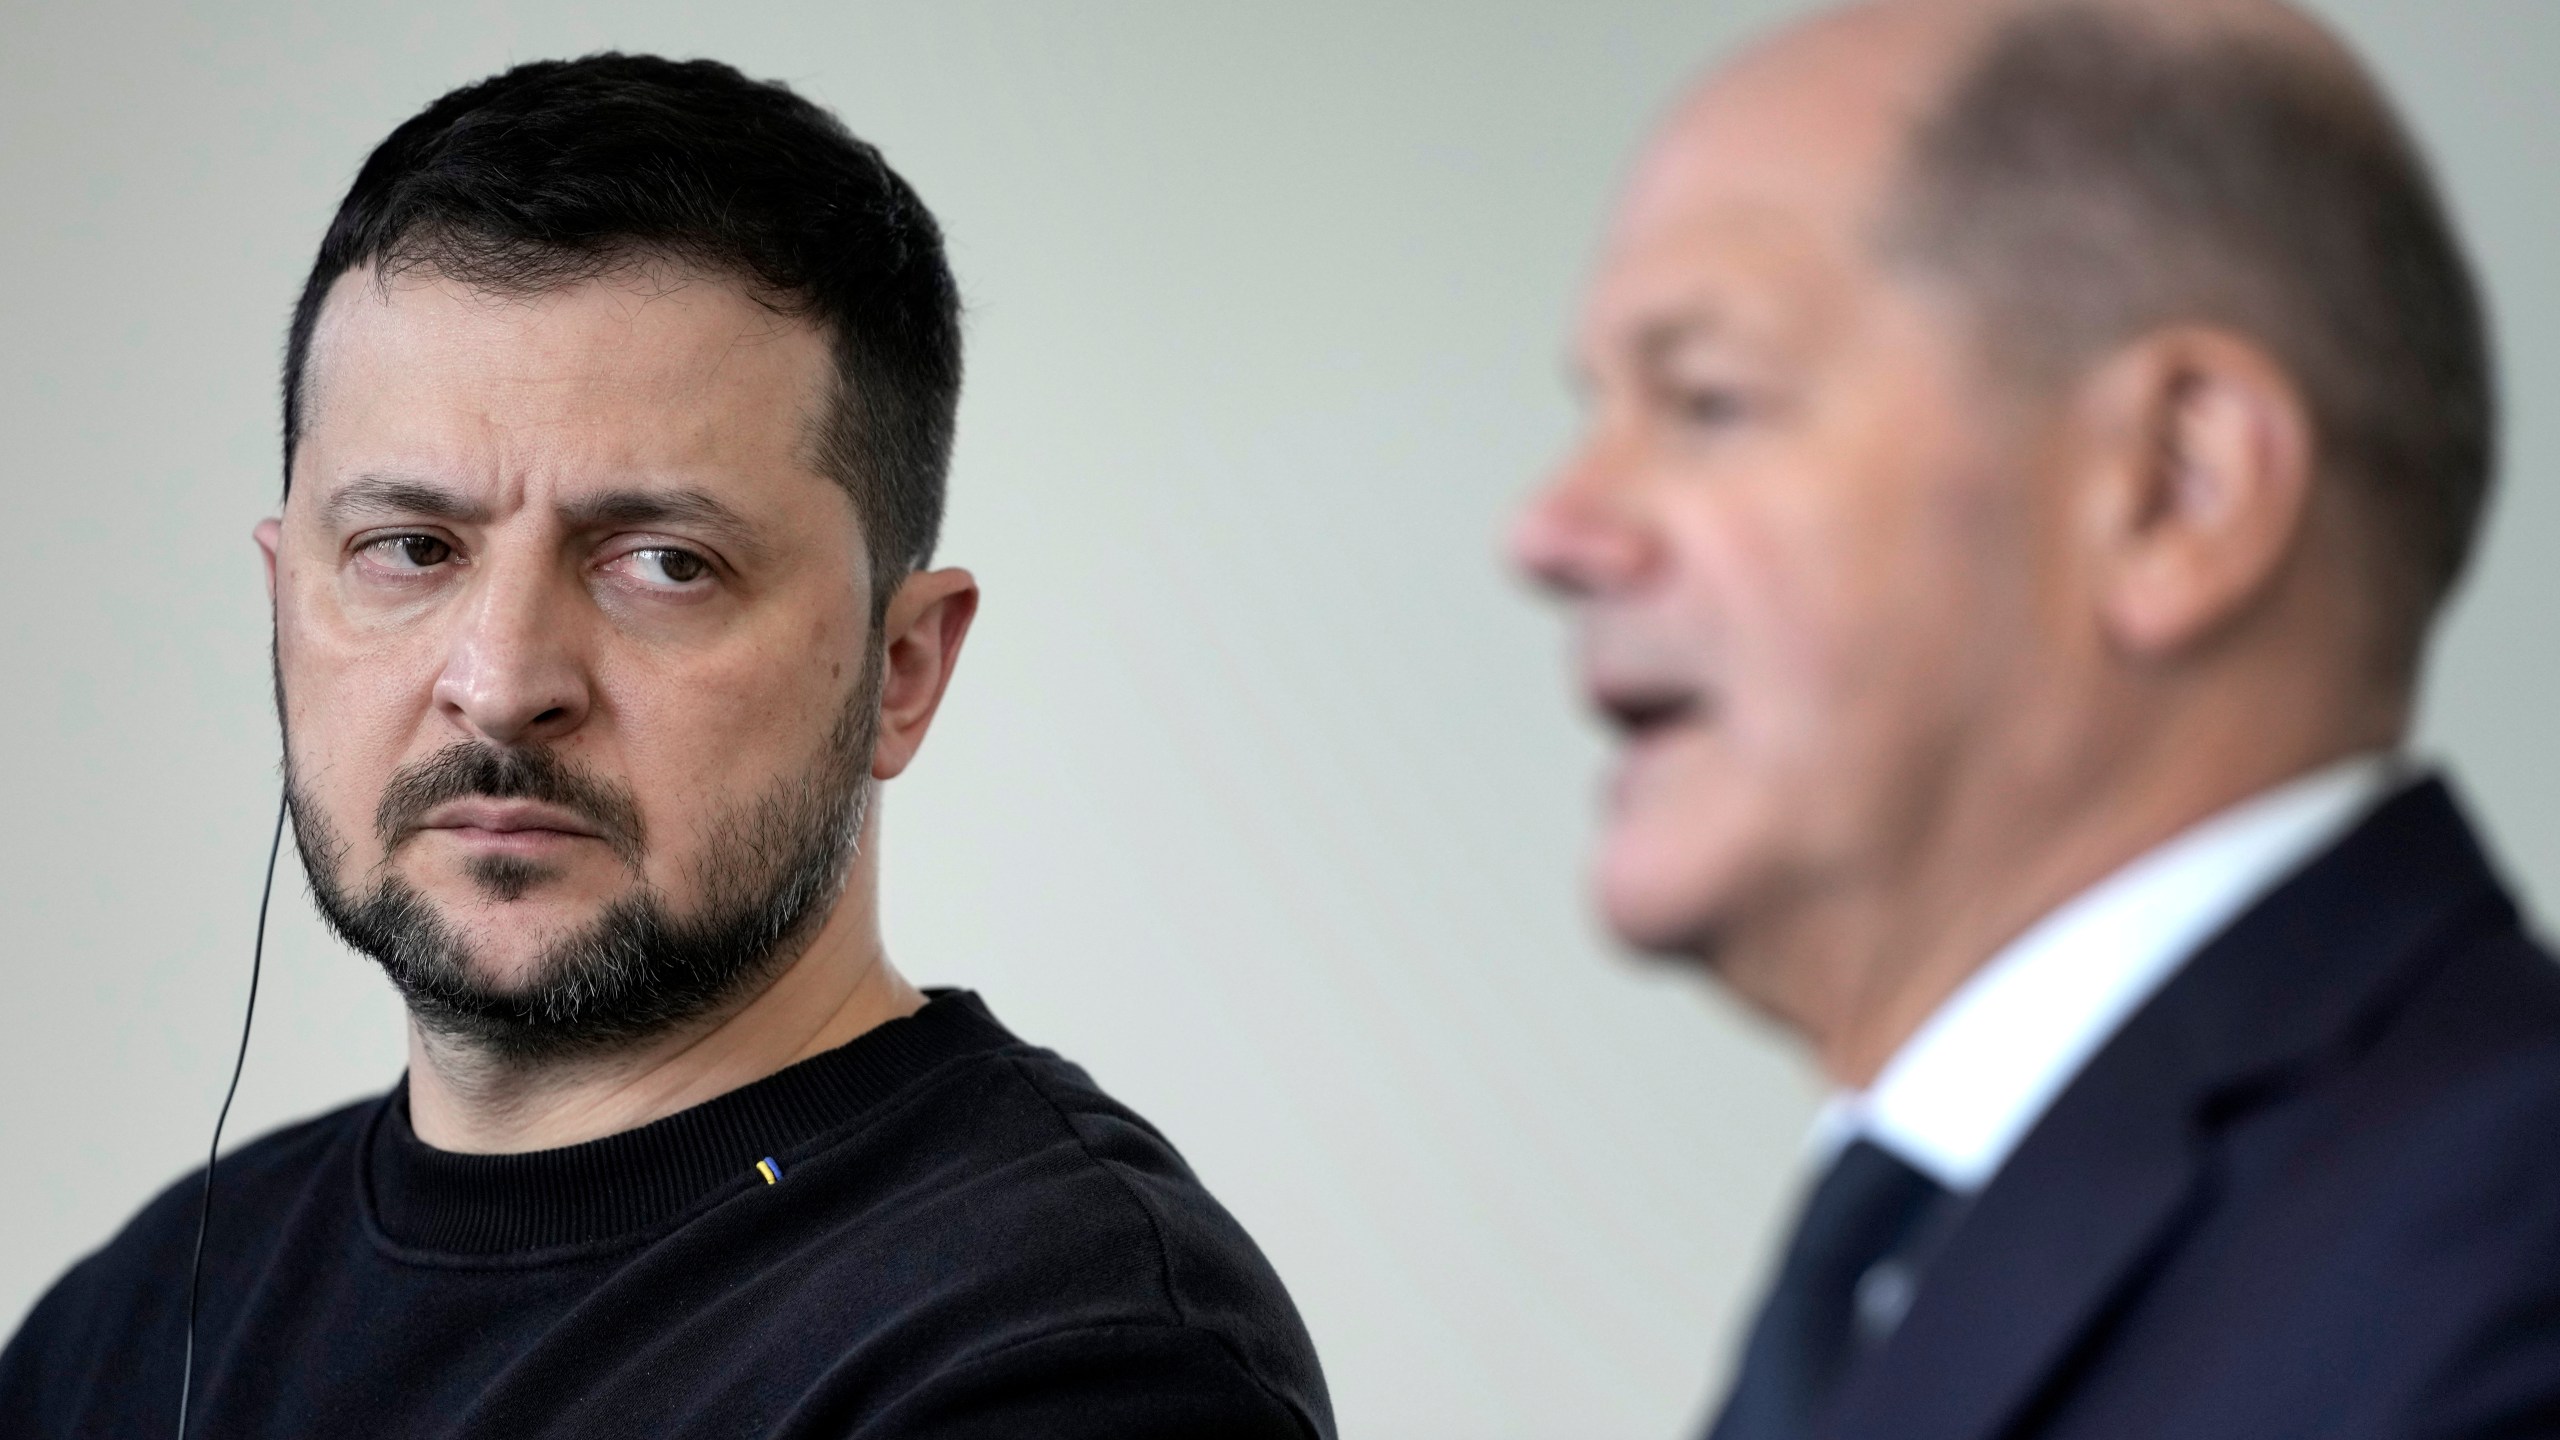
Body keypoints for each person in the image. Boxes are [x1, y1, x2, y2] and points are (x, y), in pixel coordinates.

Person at [0, 54, 1330, 1440]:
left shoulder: (1064, 1360)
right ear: (284, 600)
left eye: (664, 563)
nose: (500, 686)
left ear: (902, 669)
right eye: (410, 548)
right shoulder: (130, 1324)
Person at [1512, 1, 2560, 1436]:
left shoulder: (2504, 1256)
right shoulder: (1909, 1244)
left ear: (2176, 489)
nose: (1552, 531)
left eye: (1707, 401)